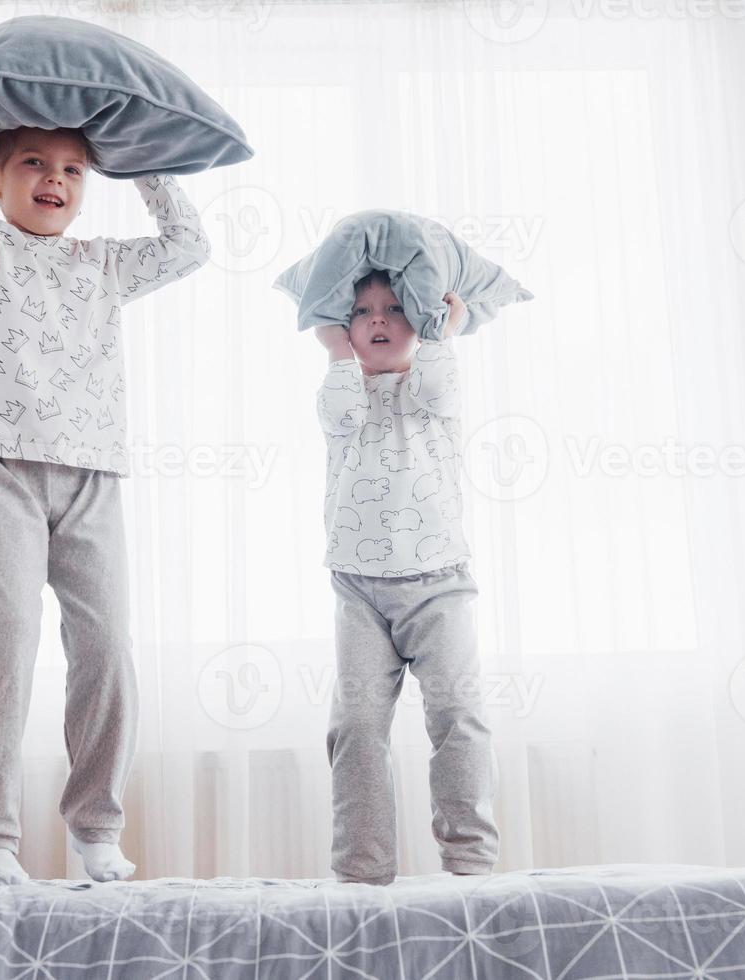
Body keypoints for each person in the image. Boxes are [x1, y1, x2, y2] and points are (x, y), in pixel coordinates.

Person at [0, 88, 210, 886]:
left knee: (106, 647)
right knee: (5, 637)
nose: (55, 180)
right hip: (0, 468)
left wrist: (142, 161)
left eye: (74, 170)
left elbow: (188, 245)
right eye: (35, 165)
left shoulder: (104, 264)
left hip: (92, 474)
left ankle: (97, 826)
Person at [312, 270, 499, 885]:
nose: (378, 321)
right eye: (362, 312)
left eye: (394, 309)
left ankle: (469, 860)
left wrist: (443, 329)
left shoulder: (429, 386)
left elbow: (441, 388)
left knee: (457, 717)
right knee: (358, 728)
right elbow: (339, 413)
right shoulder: (342, 389)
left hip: (438, 584)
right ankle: (361, 870)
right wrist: (338, 352)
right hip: (360, 590)